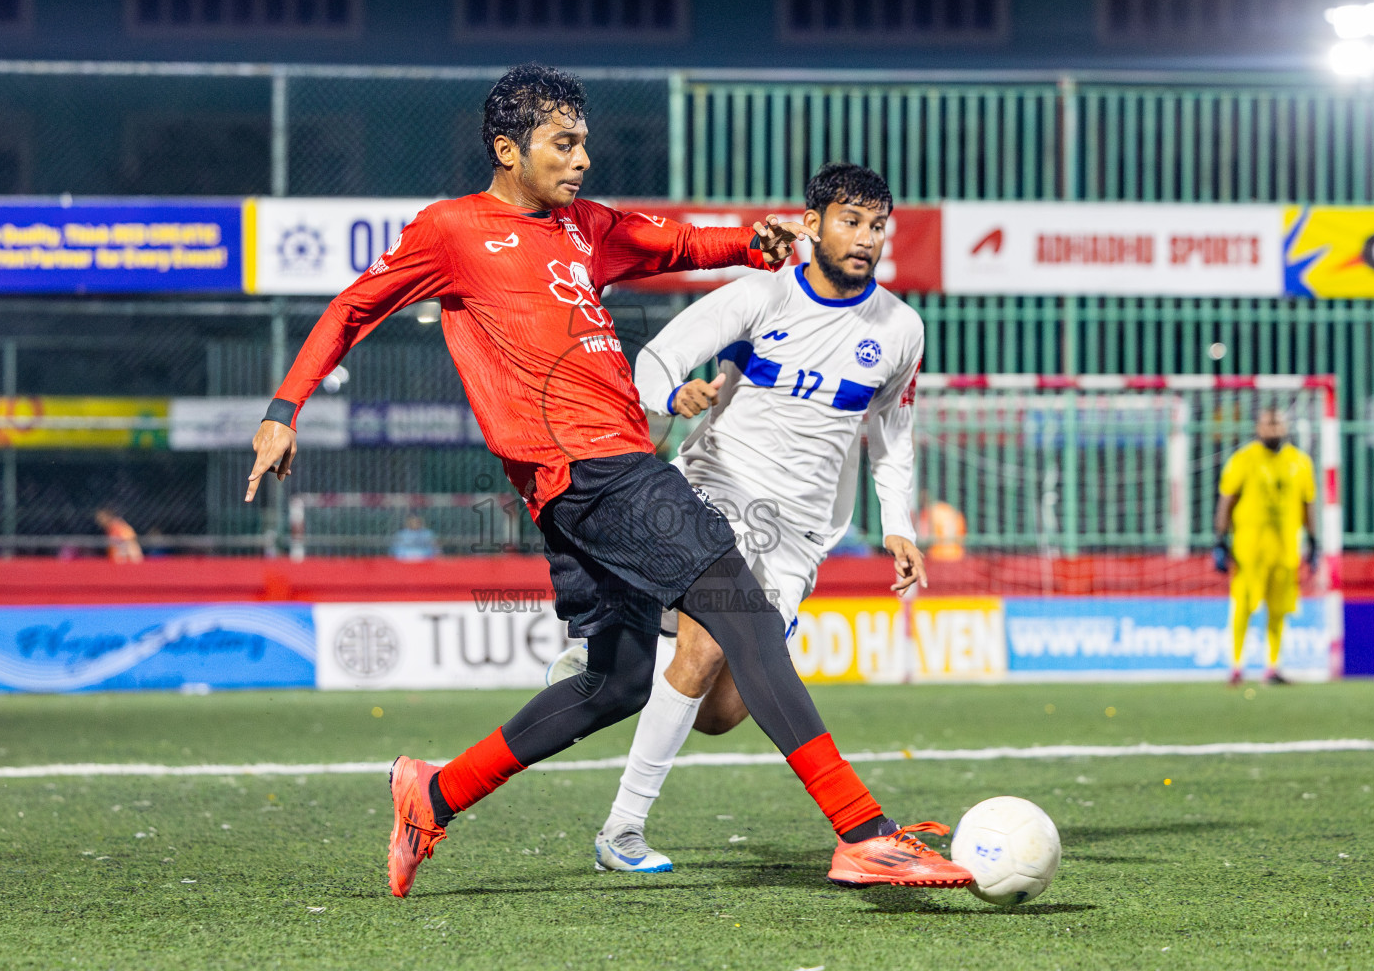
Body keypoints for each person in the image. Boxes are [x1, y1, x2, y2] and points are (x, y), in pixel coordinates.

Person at [245, 65, 971, 898]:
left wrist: (748, 241)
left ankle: (434, 793)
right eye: (564, 142)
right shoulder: (453, 231)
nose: (583, 157)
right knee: (742, 612)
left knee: (616, 679)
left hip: (588, 478)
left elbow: (673, 242)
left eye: (584, 140)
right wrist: (284, 406)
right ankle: (863, 832)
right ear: (506, 149)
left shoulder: (584, 226)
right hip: (592, 468)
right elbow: (350, 309)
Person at [561, 162, 929, 874]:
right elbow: (657, 359)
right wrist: (673, 399)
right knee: (702, 649)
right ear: (813, 224)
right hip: (719, 491)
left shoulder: (900, 330)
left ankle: (617, 653)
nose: (865, 237)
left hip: (802, 533)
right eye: (850, 220)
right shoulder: (760, 297)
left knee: (723, 710)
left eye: (877, 224)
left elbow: (893, 433)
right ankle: (622, 830)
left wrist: (899, 522)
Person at [1213, 408, 1317, 686]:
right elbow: (1226, 500)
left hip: (1285, 550)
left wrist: (1314, 541)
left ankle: (1273, 666)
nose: (1272, 430)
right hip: (1250, 551)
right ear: (1258, 427)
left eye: (1277, 424)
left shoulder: (1300, 461)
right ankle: (1236, 665)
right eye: (1267, 424)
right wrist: (1220, 540)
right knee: (1243, 606)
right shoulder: (1244, 459)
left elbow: (1307, 504)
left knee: (1279, 610)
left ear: (1285, 427)